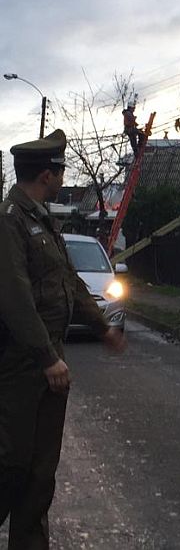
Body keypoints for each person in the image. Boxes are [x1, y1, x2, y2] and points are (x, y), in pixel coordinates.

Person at [0, 129, 126, 549]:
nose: (62, 176)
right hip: (21, 364)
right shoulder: (11, 221)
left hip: (51, 364)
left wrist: (102, 327)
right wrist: (45, 356)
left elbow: (69, 282)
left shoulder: (45, 221)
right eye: (59, 170)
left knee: (41, 473)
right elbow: (14, 295)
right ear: (46, 174)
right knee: (12, 464)